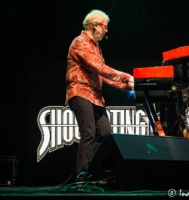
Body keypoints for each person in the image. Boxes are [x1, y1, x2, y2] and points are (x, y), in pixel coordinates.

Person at [65, 10, 134, 182]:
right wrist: (126, 76)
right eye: (105, 27)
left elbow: (102, 75)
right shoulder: (79, 42)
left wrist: (127, 86)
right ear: (94, 25)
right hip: (80, 92)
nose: (106, 30)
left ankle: (91, 171)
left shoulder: (96, 47)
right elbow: (99, 68)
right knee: (88, 132)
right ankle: (82, 177)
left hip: (95, 97)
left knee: (105, 133)